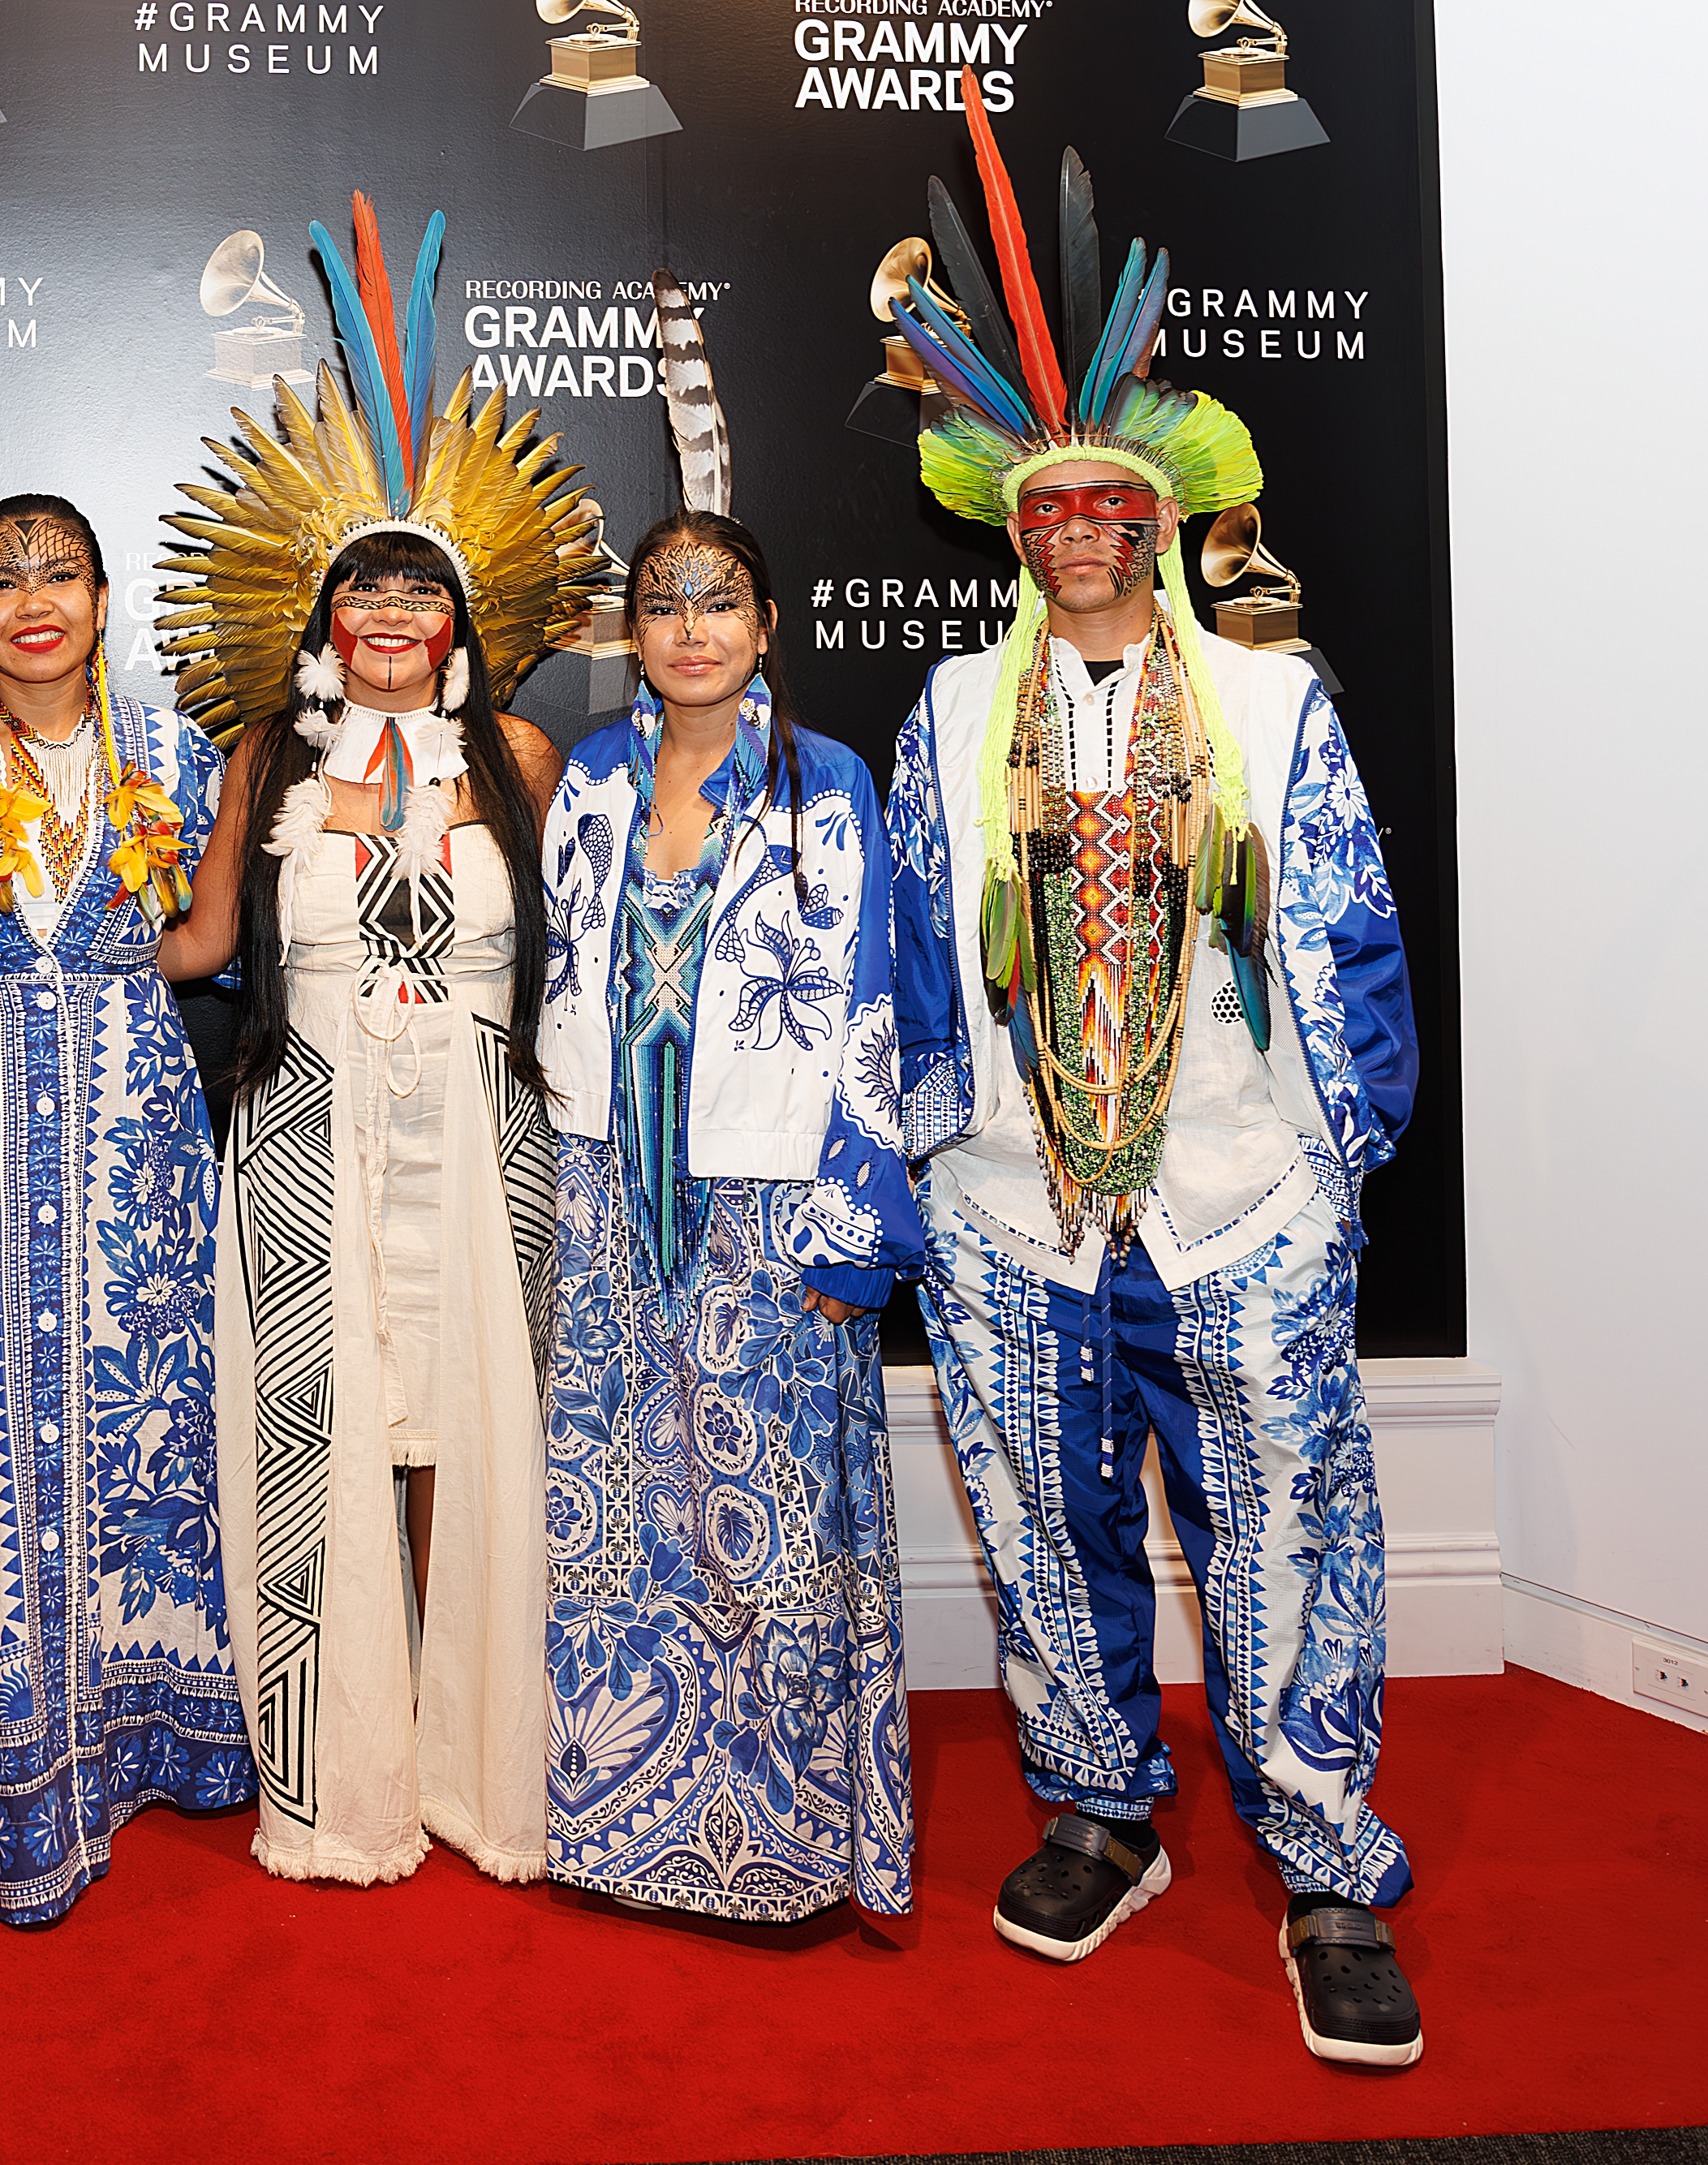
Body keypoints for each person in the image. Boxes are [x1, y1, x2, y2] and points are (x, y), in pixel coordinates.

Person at [879, 84, 1423, 2064]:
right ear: (1013, 530)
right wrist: (931, 1154)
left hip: (1235, 1188)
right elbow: (916, 941)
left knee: (1286, 1519)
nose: (1086, 534)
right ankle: (1103, 1808)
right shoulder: (950, 708)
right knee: (1038, 1516)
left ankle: (1325, 1862)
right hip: (1013, 1201)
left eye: (1117, 507)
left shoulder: (1268, 695)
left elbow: (1345, 926)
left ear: (1162, 519)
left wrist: (1333, 1151)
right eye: (1053, 511)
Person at [156, 193, 596, 1887]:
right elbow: (202, 939)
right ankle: (340, 1782)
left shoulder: (529, 761)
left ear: (461, 615)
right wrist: (51, 945)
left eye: (421, 592)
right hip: (304, 1119)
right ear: (323, 617)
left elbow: (591, 953)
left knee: (481, 1436)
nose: (393, 618)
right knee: (317, 1444)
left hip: (487, 1125)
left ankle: (485, 1776)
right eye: (366, 594)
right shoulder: (265, 754)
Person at [0, 494, 249, 1922]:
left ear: (101, 599)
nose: (35, 600)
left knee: (139, 1426)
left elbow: (207, 951)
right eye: (3, 577)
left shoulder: (176, 754)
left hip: (134, 1144)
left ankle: (146, 1732)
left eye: (61, 574)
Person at [537, 507, 919, 1924]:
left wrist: (860, 1216)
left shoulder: (826, 785)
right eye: (661, 602)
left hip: (772, 1204)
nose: (690, 627)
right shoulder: (584, 779)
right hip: (607, 1198)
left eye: (719, 601)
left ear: (764, 628)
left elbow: (877, 998)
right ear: (631, 635)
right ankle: (623, 1829)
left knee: (765, 1517)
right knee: (618, 1518)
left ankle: (783, 1853)